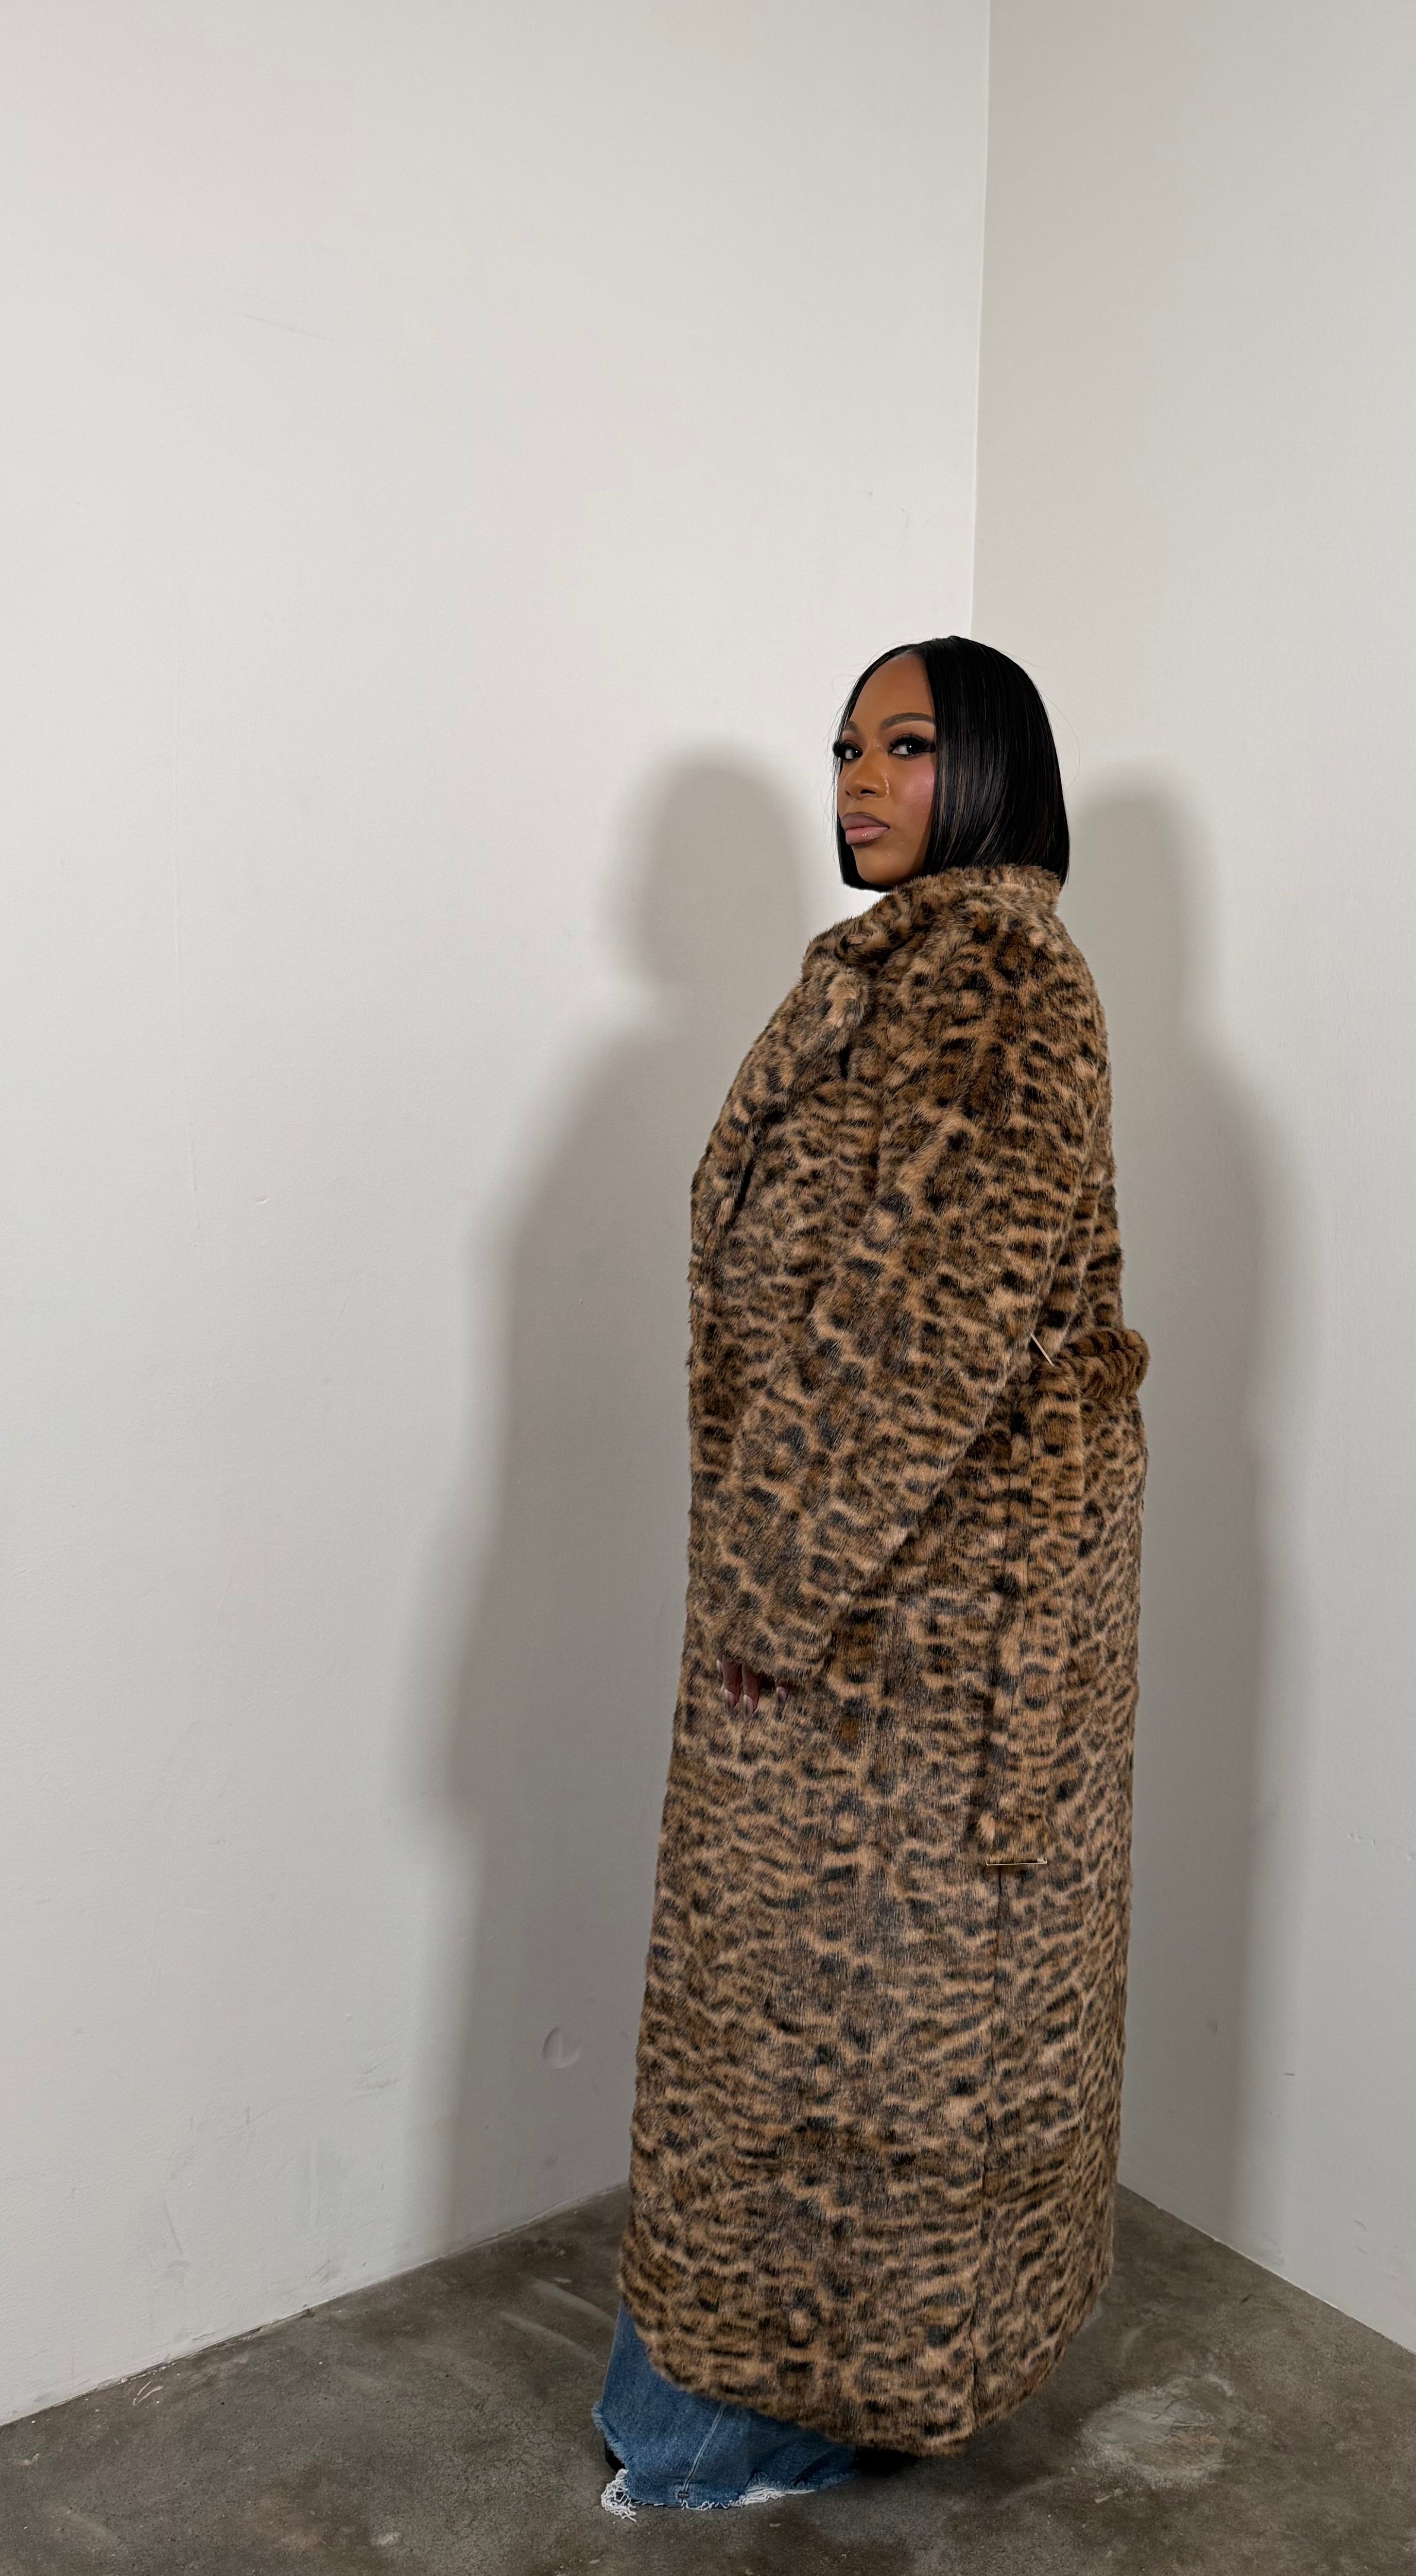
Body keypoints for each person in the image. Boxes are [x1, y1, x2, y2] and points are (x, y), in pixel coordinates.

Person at [594, 638, 1148, 2515]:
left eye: (906, 745)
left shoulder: (998, 983)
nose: (857, 778)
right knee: (795, 2048)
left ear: (989, 767)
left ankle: (751, 2423)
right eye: (843, 745)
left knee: (872, 2053)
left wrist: (769, 1592)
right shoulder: (883, 976)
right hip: (841, 1608)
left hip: (920, 1640)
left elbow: (925, 1331)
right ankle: (748, 2402)